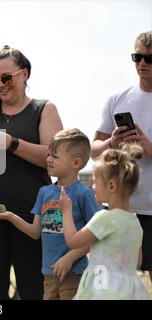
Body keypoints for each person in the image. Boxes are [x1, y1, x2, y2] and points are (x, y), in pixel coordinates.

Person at [0, 45, 63, 299]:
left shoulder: (44, 109)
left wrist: (12, 143)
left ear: (24, 74)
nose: (1, 85)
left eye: (7, 78)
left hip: (33, 215)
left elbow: (54, 158)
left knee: (34, 291)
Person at [0, 128, 98, 300]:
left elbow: (95, 236)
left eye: (55, 156)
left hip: (74, 275)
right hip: (49, 275)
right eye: (48, 155)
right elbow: (35, 232)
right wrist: (11, 217)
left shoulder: (84, 194)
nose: (48, 160)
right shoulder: (44, 192)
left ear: (76, 163)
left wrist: (70, 258)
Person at [91, 31, 152, 283]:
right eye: (136, 57)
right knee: (113, 285)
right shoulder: (117, 99)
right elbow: (93, 149)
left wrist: (148, 146)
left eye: (149, 58)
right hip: (120, 210)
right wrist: (112, 142)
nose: (142, 64)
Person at [60, 143, 149, 299]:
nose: (92, 186)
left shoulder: (105, 218)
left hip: (102, 290)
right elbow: (136, 263)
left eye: (95, 181)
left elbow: (73, 241)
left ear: (111, 186)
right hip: (129, 292)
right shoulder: (135, 222)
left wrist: (66, 211)